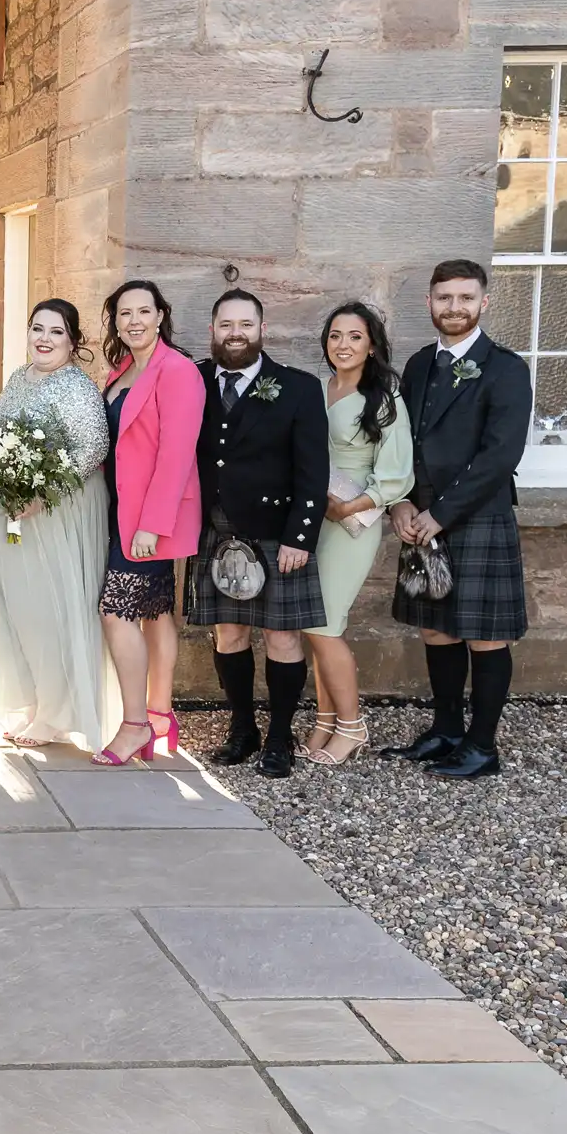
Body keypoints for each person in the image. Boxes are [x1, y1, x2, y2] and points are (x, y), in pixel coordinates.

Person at [382, 259, 531, 780]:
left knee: (486, 636)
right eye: (444, 298)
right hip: (420, 516)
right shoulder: (421, 364)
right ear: (429, 302)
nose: (454, 307)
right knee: (435, 630)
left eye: (465, 298)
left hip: (475, 517)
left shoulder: (507, 369)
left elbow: (500, 455)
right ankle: (445, 730)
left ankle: (481, 746)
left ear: (483, 303)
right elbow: (400, 444)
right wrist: (400, 502)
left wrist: (439, 515)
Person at [189, 289, 331, 780]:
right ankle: (243, 727)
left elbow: (313, 470)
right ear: (212, 330)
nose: (235, 333)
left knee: (282, 636)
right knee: (228, 633)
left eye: (245, 324)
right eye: (226, 324)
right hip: (216, 528)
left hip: (275, 532)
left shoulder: (298, 387)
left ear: (261, 329)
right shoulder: (195, 380)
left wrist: (301, 537)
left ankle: (280, 737)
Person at [0, 301, 117, 754]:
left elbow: (93, 448)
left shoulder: (78, 388)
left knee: (54, 606)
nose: (45, 338)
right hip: (16, 516)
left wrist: (42, 490)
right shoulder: (19, 377)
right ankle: (35, 700)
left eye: (56, 332)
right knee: (23, 608)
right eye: (38, 328)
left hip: (59, 513)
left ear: (73, 341)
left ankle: (58, 714)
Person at [300, 302, 414, 766]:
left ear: (372, 345)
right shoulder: (319, 388)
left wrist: (351, 505)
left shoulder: (383, 396)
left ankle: (352, 725)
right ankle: (325, 720)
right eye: (335, 336)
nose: (342, 345)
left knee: (323, 625)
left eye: (354, 336)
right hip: (314, 515)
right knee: (317, 624)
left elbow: (396, 470)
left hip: (352, 520)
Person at [94, 282, 203, 766]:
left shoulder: (178, 371)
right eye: (123, 313)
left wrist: (151, 525)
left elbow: (177, 455)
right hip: (118, 509)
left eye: (143, 311)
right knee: (156, 611)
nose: (133, 321)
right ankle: (160, 714)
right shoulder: (122, 371)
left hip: (148, 519)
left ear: (161, 315)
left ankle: (135, 724)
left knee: (115, 613)